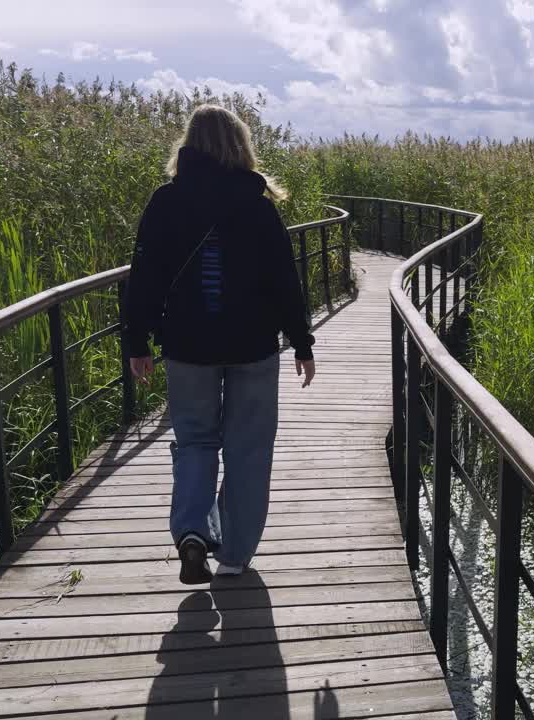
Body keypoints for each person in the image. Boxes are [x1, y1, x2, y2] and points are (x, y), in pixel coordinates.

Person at [123, 104, 316, 585]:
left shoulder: (166, 202)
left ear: (189, 145)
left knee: (194, 441)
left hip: (188, 344)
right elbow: (283, 281)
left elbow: (144, 276)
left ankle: (191, 531)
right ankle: (234, 556)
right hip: (252, 344)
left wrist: (137, 340)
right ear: (240, 145)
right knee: (248, 447)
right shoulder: (258, 205)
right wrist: (302, 342)